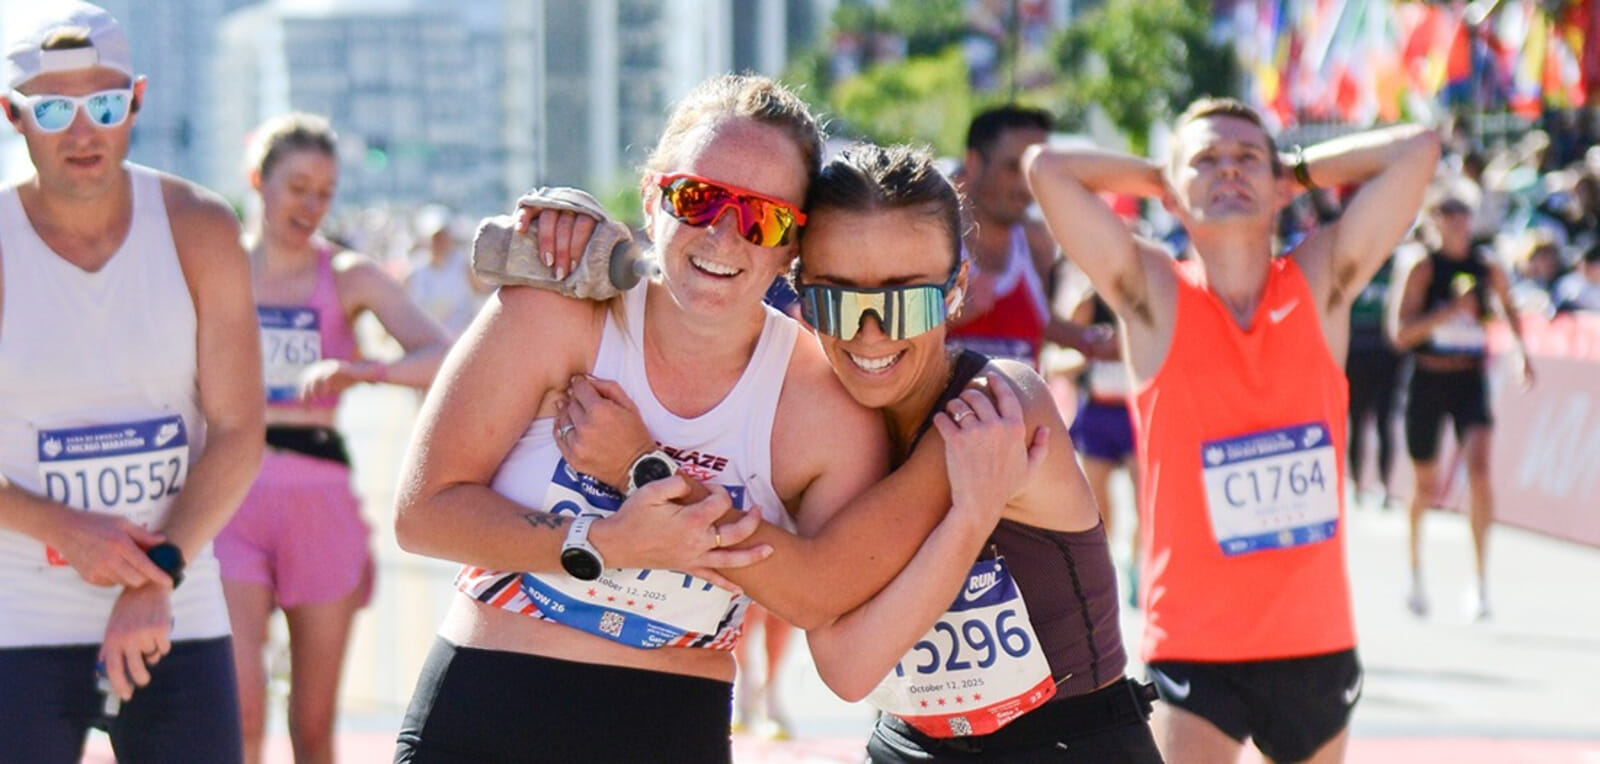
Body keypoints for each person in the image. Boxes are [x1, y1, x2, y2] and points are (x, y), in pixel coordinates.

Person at [390, 75, 1019, 763]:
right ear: (653, 196)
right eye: (698, 198)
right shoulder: (555, 315)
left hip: (672, 727)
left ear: (792, 248)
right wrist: (605, 540)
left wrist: (643, 471)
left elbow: (816, 597)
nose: (724, 234)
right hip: (489, 705)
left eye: (763, 218)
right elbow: (423, 513)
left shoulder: (821, 401)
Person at [558, 142, 1161, 761]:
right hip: (906, 744)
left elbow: (849, 664)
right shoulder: (820, 417)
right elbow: (838, 648)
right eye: (836, 300)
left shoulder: (998, 403)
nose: (870, 332)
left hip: (1066, 745)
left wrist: (641, 470)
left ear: (956, 287)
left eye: (905, 299)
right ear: (798, 290)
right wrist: (565, 232)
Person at [1025, 97, 1439, 763]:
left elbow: (1417, 148)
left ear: (1280, 185)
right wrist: (1166, 175)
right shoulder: (1152, 292)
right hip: (1194, 643)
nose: (1229, 170)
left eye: (1247, 158)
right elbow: (1046, 167)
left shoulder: (1320, 279)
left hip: (1314, 638)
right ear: (1173, 190)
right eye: (1208, 161)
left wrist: (1291, 169)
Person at [0, 3, 264, 761]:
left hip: (175, 602)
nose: (82, 131)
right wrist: (62, 528)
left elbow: (240, 429)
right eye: (53, 108)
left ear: (138, 100)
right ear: (13, 116)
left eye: (105, 103)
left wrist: (157, 578)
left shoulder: (198, 227)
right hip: (18, 614)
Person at [213, 112, 450, 764]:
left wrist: (365, 372)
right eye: (297, 187)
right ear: (257, 180)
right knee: (240, 711)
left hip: (319, 500)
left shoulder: (349, 275)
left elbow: (445, 356)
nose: (312, 205)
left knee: (313, 726)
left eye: (325, 190)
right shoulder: (213, 265)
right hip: (228, 497)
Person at [1390, 188, 1533, 622]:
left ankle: (1479, 581)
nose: (1456, 221)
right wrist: (1448, 313)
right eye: (1447, 213)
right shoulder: (1421, 267)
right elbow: (1400, 333)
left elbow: (1510, 308)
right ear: (1433, 218)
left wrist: (1521, 352)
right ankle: (1415, 572)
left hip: (1468, 379)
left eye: (1463, 213)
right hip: (1428, 378)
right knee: (1426, 486)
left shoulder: (1486, 266)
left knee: (1480, 470)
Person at [947, 105, 1093, 367]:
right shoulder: (936, 244)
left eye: (1034, 171)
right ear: (974, 163)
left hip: (1024, 407)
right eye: (1013, 167)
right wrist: (953, 314)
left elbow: (1039, 320)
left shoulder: (1037, 243)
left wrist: (1092, 341)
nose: (1026, 185)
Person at [1346, 254, 1404, 508]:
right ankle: (1357, 482)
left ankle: (1384, 484)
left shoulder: (1397, 271)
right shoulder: (1355, 267)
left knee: (1385, 421)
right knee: (1357, 420)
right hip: (1356, 351)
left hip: (1387, 354)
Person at [405, 203, 488, 338]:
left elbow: (483, 291)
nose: (440, 242)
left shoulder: (463, 266)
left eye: (444, 236)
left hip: (460, 340)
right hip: (430, 342)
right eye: (436, 237)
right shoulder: (414, 272)